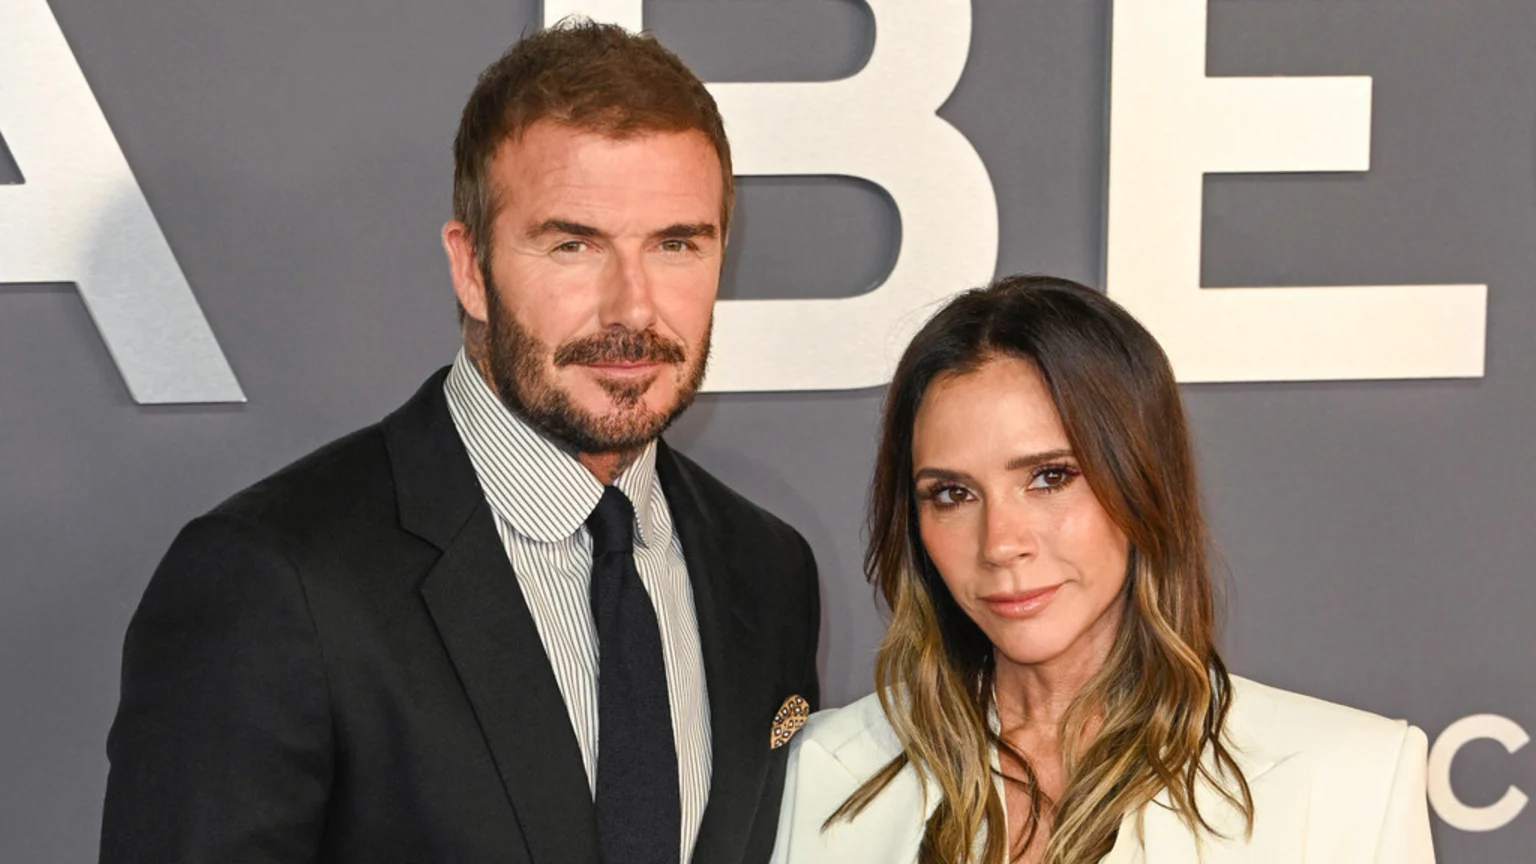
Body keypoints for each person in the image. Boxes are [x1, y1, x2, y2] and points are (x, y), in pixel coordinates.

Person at [100, 20, 820, 864]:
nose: (633, 308)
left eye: (675, 245)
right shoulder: (273, 583)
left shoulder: (766, 571)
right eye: (572, 245)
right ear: (471, 268)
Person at [769, 275, 1433, 863]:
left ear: (1142, 481)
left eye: (1050, 477)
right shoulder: (823, 774)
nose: (1000, 543)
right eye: (952, 493)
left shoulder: (1348, 782)